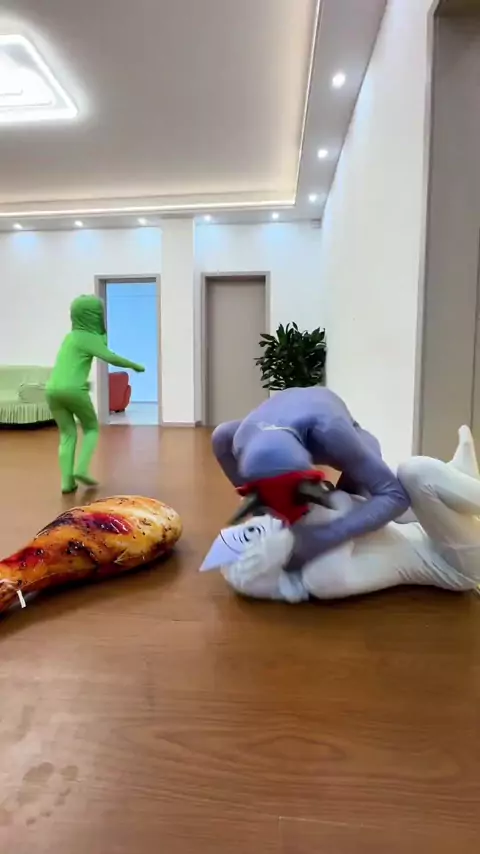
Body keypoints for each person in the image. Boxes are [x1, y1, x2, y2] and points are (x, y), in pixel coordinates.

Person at [218, 426, 480, 602]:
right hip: (453, 565)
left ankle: (461, 478)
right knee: (416, 472)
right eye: (254, 534)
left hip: (420, 526)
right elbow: (339, 509)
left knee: (392, 481)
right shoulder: (321, 580)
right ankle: (463, 482)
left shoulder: (298, 540)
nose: (268, 523)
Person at [212, 387, 410, 561]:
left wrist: (325, 537)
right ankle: (270, 511)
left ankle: (346, 506)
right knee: (220, 435)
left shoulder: (330, 432)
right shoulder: (234, 440)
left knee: (357, 493)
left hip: (323, 421)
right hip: (286, 421)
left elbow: (395, 495)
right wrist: (264, 517)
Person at [46, 295, 144, 494]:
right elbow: (110, 357)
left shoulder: (70, 337)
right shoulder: (89, 338)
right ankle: (81, 469)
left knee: (67, 434)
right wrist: (135, 365)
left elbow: (69, 366)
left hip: (52, 390)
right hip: (74, 390)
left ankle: (67, 482)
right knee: (91, 428)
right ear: (95, 315)